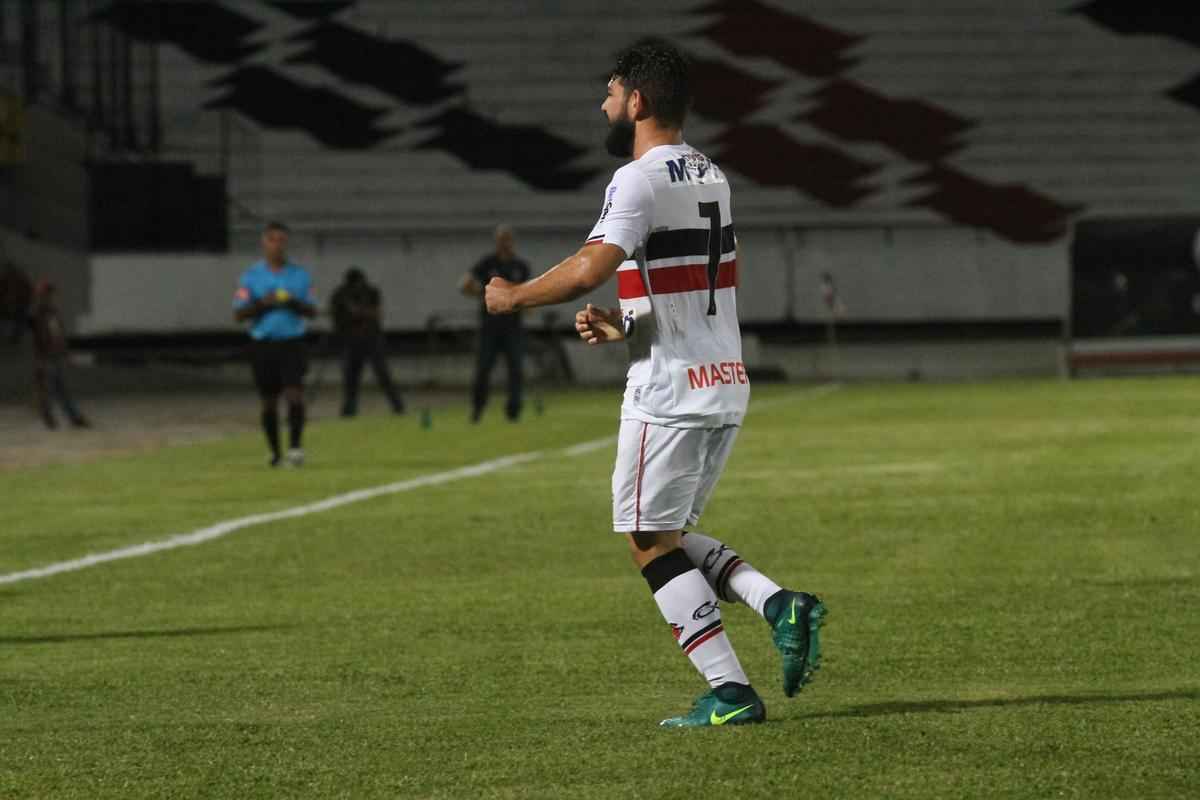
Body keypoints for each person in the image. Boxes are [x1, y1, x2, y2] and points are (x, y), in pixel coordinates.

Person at [485, 39, 825, 728]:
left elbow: (587, 267)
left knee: (645, 539)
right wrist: (628, 324)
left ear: (637, 101)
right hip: (721, 378)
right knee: (665, 532)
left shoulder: (637, 178)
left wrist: (512, 297)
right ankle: (775, 605)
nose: (603, 105)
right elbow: (694, 282)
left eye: (610, 93)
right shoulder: (711, 174)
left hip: (669, 390)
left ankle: (731, 691)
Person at [232, 221, 316, 467]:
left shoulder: (299, 276)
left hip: (292, 342)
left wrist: (291, 302)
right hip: (263, 343)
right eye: (272, 240)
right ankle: (274, 452)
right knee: (268, 400)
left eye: (281, 240)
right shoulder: (251, 277)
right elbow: (238, 314)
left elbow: (311, 310)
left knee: (294, 394)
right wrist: (263, 304)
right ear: (264, 242)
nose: (277, 245)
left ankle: (295, 447)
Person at [458, 225, 530, 422]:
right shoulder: (487, 264)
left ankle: (513, 412)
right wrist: (482, 295)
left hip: (513, 327)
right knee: (483, 369)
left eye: (508, 239)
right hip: (489, 327)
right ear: (497, 242)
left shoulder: (520, 266)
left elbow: (529, 292)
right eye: (502, 240)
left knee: (516, 369)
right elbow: (464, 284)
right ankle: (478, 408)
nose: (505, 243)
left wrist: (527, 305)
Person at [330, 266, 405, 417]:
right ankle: (349, 409)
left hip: (370, 339)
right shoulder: (341, 295)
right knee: (352, 378)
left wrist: (359, 313)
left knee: (381, 374)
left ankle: (397, 405)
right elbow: (337, 318)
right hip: (352, 340)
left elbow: (376, 314)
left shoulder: (370, 292)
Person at [29, 280, 89, 429]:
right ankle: (53, 419)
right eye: (49, 294)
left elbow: (58, 334)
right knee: (48, 389)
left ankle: (72, 417)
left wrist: (64, 352)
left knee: (59, 389)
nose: (52, 297)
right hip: (45, 356)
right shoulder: (38, 313)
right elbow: (44, 335)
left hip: (53, 355)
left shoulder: (51, 312)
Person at [0, 258, 33, 344]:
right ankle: (14, 337)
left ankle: (15, 337)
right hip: (16, 305)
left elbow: (14, 295)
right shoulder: (6, 279)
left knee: (19, 318)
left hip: (19, 305)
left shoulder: (18, 280)